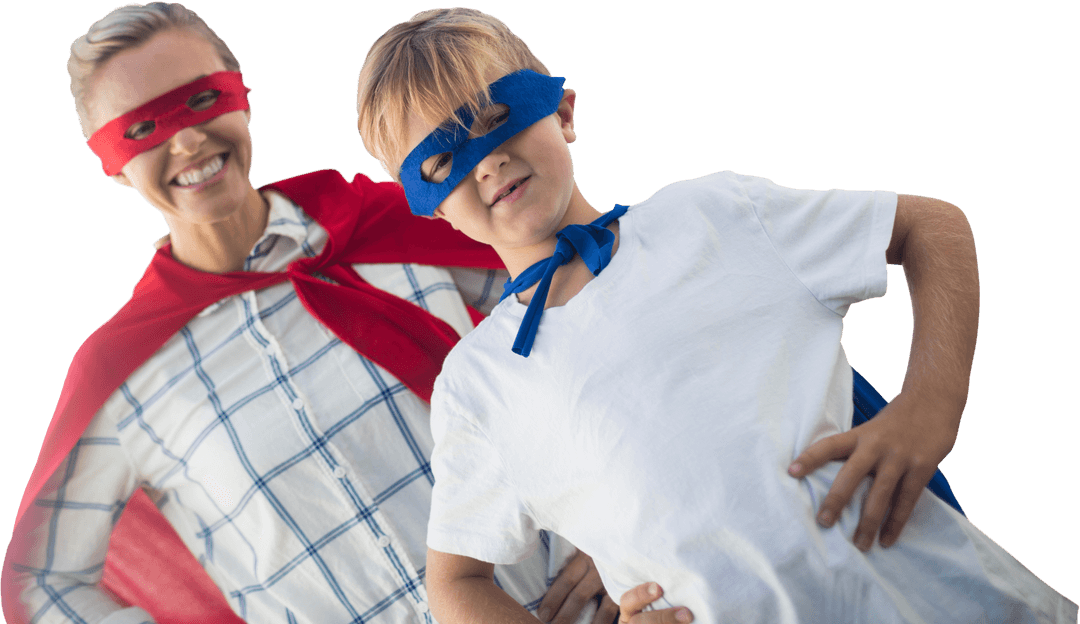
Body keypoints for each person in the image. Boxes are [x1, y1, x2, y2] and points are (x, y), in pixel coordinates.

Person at [354, 7, 1079, 624]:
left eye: (496, 119)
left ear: (564, 111)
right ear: (433, 209)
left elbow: (932, 226)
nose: (487, 162)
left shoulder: (713, 214)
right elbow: (455, 582)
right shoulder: (478, 387)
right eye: (443, 163)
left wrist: (931, 405)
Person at [0, 4, 682, 624]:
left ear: (241, 94)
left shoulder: (402, 225)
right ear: (112, 167)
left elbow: (607, 317)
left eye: (200, 100)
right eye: (142, 129)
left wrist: (622, 517)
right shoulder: (124, 378)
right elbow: (38, 581)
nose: (184, 141)